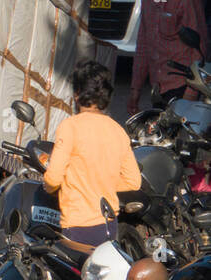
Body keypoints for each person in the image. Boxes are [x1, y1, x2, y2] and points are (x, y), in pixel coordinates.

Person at [42, 61, 142, 246]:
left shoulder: (70, 127)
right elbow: (133, 181)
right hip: (109, 224)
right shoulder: (117, 130)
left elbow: (53, 178)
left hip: (78, 224)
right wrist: (103, 182)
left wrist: (52, 187)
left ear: (77, 94)